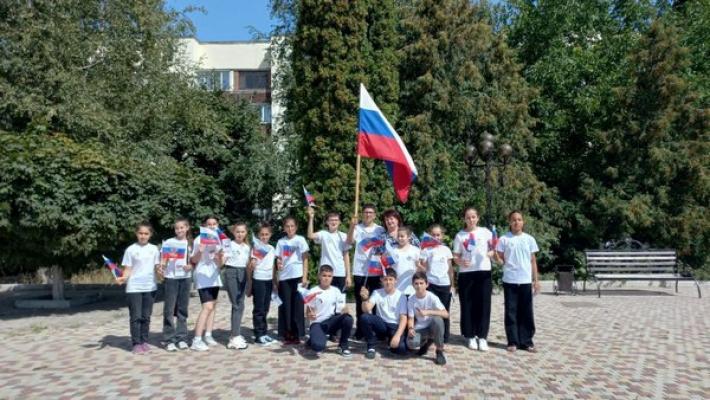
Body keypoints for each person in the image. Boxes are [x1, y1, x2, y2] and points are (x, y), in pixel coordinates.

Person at [496, 210, 540, 353]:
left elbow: (533, 261)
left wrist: (536, 280)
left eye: (519, 219)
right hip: (510, 280)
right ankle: (513, 341)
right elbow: (501, 260)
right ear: (510, 222)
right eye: (514, 220)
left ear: (523, 222)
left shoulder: (529, 239)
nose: (517, 222)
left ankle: (526, 341)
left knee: (526, 311)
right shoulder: (504, 239)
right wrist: (495, 257)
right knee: (511, 311)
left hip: (525, 280)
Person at [453, 207, 494, 351]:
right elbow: (455, 256)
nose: (471, 220)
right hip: (466, 273)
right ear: (464, 219)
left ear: (478, 218)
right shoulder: (460, 235)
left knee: (484, 305)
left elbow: (493, 248)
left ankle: (482, 337)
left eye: (473, 217)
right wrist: (460, 262)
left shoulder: (486, 232)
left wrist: (491, 252)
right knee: (467, 304)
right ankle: (470, 335)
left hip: (483, 272)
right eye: (468, 217)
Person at [116, 221, 160, 355]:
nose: (143, 236)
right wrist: (123, 278)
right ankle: (136, 343)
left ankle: (144, 341)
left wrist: (161, 271)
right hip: (134, 287)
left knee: (146, 316)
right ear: (136, 234)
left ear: (150, 235)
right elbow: (128, 269)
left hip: (150, 287)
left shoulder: (154, 249)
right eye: (140, 233)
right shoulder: (130, 250)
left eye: (146, 233)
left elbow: (157, 267)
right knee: (136, 317)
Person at [346, 204, 385, 339]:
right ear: (362, 214)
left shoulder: (380, 229)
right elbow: (349, 241)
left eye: (371, 212)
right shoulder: (357, 228)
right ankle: (360, 330)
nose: (368, 214)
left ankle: (376, 330)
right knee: (360, 301)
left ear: (374, 215)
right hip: (360, 270)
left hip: (375, 269)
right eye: (366, 212)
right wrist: (352, 226)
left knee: (375, 302)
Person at [190, 216, 225, 351]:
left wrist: (219, 257)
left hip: (214, 275)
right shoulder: (199, 239)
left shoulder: (219, 240)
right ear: (204, 226)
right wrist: (200, 250)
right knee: (207, 307)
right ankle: (196, 340)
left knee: (213, 306)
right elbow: (194, 260)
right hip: (202, 275)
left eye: (214, 224)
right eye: (209, 224)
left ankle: (208, 335)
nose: (212, 226)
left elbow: (221, 264)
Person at [158, 218, 192, 352]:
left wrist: (191, 266)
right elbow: (163, 259)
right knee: (169, 310)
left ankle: (182, 338)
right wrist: (162, 266)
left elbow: (194, 260)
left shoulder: (190, 243)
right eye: (177, 228)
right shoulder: (169, 242)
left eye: (182, 227)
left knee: (182, 310)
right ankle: (169, 339)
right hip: (171, 278)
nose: (179, 230)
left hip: (185, 278)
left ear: (187, 228)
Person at [359, 268, 408, 359]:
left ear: (396, 280)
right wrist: (364, 299)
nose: (388, 282)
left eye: (390, 279)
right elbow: (367, 309)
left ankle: (390, 340)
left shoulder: (401, 296)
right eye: (385, 279)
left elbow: (403, 318)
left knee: (401, 350)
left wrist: (397, 336)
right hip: (381, 324)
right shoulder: (377, 292)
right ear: (381, 280)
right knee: (364, 317)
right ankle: (371, 346)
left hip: (394, 325)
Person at [304, 265, 353, 357]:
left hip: (330, 322)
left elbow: (342, 307)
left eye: (329, 276)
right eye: (324, 275)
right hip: (317, 323)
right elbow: (308, 313)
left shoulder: (336, 291)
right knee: (318, 346)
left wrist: (345, 309)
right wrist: (310, 315)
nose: (327, 278)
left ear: (332, 277)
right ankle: (313, 339)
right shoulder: (313, 291)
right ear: (319, 276)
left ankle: (343, 346)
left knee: (348, 319)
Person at [275, 216, 310, 344]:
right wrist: (278, 264)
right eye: (287, 226)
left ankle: (298, 333)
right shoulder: (280, 242)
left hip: (298, 276)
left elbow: (305, 259)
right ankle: (286, 333)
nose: (290, 228)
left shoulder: (300, 240)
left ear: (296, 227)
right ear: (284, 228)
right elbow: (278, 259)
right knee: (285, 306)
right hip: (284, 277)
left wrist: (304, 277)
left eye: (292, 226)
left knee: (298, 306)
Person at [419, 224, 454, 343]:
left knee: (444, 310)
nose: (436, 237)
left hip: (444, 284)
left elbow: (450, 269)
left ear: (442, 236)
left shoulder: (446, 249)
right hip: (431, 284)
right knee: (430, 310)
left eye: (438, 235)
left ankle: (445, 336)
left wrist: (452, 285)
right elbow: (424, 268)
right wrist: (419, 265)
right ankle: (431, 335)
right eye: (433, 235)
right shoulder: (426, 250)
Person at [406, 271, 448, 365]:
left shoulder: (432, 297)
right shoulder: (411, 300)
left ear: (427, 284)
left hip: (432, 326)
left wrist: (428, 312)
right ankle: (425, 343)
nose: (419, 286)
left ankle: (439, 351)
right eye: (416, 283)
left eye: (421, 283)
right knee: (411, 344)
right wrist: (410, 328)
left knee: (438, 320)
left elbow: (446, 314)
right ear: (413, 285)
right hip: (421, 328)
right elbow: (411, 318)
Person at [307, 208, 351, 292]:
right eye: (331, 220)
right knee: (324, 296)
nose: (334, 222)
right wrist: (311, 218)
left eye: (336, 220)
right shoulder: (323, 234)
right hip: (325, 273)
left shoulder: (344, 236)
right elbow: (310, 235)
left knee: (338, 298)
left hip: (339, 272)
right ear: (327, 222)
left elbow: (346, 256)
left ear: (339, 222)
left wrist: (348, 275)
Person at [248, 223, 277, 346]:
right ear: (258, 235)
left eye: (266, 234)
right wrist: (252, 264)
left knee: (265, 308)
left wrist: (274, 282)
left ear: (270, 235)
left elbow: (273, 266)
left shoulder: (272, 248)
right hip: (258, 279)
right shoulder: (256, 248)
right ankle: (258, 335)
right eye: (262, 234)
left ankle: (264, 333)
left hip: (268, 280)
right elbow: (251, 265)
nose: (264, 237)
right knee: (259, 308)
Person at [222, 222, 250, 350]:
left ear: (246, 233)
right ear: (233, 232)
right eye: (237, 231)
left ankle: (236, 333)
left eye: (242, 232)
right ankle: (234, 336)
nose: (240, 234)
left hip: (243, 273)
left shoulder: (247, 247)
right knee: (236, 303)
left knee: (240, 303)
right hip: (231, 272)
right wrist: (220, 257)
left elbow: (247, 263)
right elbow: (223, 261)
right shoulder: (229, 244)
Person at [390, 226, 420, 296]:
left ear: (409, 237)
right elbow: (388, 267)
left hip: (411, 288)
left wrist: (419, 266)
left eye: (402, 236)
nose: (400, 238)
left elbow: (420, 269)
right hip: (396, 288)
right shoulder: (392, 250)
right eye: (398, 236)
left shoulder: (416, 250)